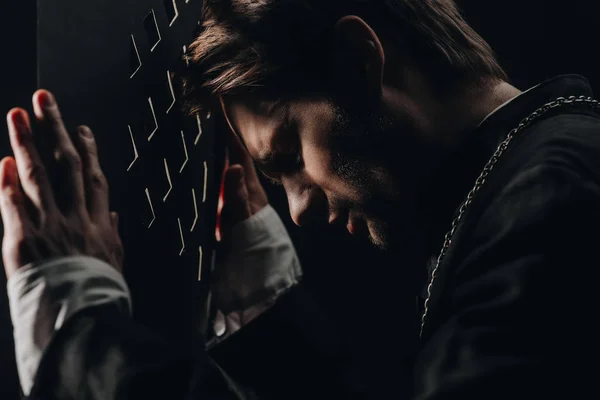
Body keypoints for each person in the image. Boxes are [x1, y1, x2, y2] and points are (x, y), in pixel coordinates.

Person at [2, 0, 600, 398]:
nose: (298, 209)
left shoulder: (551, 208)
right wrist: (267, 321)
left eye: (288, 157)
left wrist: (82, 339)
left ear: (357, 61)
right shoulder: (539, 179)